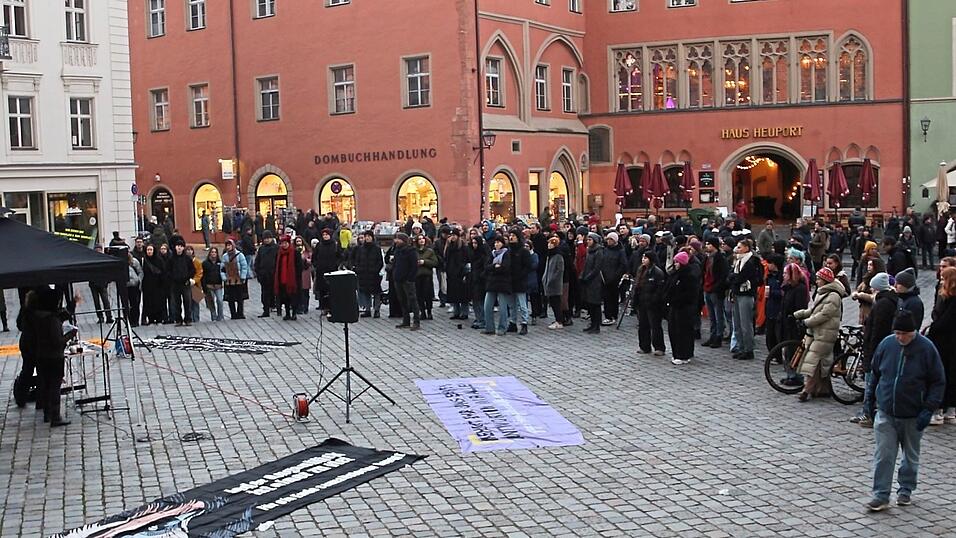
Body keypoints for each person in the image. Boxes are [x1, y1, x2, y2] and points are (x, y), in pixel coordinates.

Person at [863, 311, 945, 511]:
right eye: (897, 333)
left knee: (910, 455)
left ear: (913, 332)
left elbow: (938, 381)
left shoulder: (927, 349)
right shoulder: (887, 344)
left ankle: (906, 489)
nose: (900, 338)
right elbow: (875, 373)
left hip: (913, 413)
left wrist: (928, 409)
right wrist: (869, 400)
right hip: (886, 410)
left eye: (904, 334)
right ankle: (880, 494)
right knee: (884, 454)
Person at [793, 267, 847, 401]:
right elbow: (813, 310)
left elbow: (823, 315)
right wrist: (798, 314)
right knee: (822, 363)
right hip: (819, 332)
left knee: (812, 361)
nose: (816, 281)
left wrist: (806, 322)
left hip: (825, 334)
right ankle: (823, 389)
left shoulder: (833, 296)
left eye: (818, 278)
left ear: (825, 280)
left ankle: (806, 390)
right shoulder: (823, 292)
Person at [28, 287, 77, 426]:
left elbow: (63, 315)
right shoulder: (52, 320)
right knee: (55, 386)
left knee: (46, 384)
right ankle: (55, 416)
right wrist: (70, 334)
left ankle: (47, 413)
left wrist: (72, 304)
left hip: (41, 355)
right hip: (54, 357)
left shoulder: (37, 316)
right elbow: (58, 342)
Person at [925, 266, 956, 426]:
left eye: (944, 278)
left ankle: (940, 410)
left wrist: (932, 328)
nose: (941, 281)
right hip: (946, 341)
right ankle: (949, 409)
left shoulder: (951, 299)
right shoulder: (945, 296)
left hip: (945, 342)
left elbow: (945, 321)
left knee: (942, 375)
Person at [728, 239, 762, 360]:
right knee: (737, 322)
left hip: (746, 294)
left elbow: (741, 278)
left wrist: (734, 278)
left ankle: (748, 349)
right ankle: (741, 347)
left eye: (740, 247)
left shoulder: (751, 262)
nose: (737, 249)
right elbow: (731, 275)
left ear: (747, 248)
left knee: (745, 323)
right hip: (737, 293)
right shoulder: (738, 260)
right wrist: (733, 278)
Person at [666, 251, 701, 365]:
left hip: (684, 307)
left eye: (677, 262)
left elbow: (690, 293)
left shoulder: (689, 276)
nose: (675, 264)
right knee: (674, 330)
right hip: (674, 306)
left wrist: (677, 300)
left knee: (683, 331)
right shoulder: (675, 274)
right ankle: (677, 353)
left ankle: (683, 354)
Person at [635, 251, 666, 356]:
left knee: (655, 326)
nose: (643, 260)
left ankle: (659, 347)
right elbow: (637, 285)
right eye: (643, 258)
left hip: (653, 303)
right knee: (643, 325)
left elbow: (660, 289)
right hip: (642, 301)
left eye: (646, 258)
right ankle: (644, 346)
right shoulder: (641, 270)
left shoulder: (657, 272)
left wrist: (654, 300)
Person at [702, 237, 729, 348]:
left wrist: (716, 287)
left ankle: (719, 336)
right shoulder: (707, 258)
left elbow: (723, 276)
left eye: (709, 244)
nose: (707, 246)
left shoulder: (720, 258)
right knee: (711, 316)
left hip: (715, 290)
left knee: (718, 315)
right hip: (707, 288)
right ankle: (712, 335)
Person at [482, 236, 512, 336]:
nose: (496, 244)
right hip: (491, 283)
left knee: (502, 307)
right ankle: (489, 327)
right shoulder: (492, 254)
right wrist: (495, 266)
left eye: (498, 242)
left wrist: (495, 268)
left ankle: (502, 327)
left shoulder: (506, 253)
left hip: (502, 283)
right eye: (495, 243)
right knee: (487, 306)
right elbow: (487, 266)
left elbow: (505, 267)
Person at [392, 233, 421, 330]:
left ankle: (416, 321)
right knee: (402, 300)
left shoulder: (411, 251)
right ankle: (406, 320)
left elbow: (414, 266)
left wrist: (410, 278)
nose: (396, 241)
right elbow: (395, 264)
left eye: (398, 239)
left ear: (403, 240)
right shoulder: (397, 250)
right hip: (398, 279)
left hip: (407, 280)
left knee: (412, 300)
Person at [352, 231, 384, 318]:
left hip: (374, 274)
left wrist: (376, 270)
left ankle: (377, 309)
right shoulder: (361, 249)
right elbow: (357, 260)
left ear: (372, 238)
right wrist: (358, 269)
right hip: (363, 274)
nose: (367, 238)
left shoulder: (377, 248)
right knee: (365, 292)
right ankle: (367, 309)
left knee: (376, 292)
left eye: (369, 236)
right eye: (366, 236)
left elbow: (380, 261)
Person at [579, 232, 605, 334]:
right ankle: (592, 323)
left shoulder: (599, 251)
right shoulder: (589, 251)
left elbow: (597, 268)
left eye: (590, 240)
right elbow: (586, 265)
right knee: (590, 303)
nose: (588, 241)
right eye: (588, 240)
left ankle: (596, 325)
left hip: (595, 281)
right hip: (588, 281)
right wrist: (582, 276)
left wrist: (588, 277)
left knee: (595, 304)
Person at [600, 232, 628, 326]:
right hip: (604, 277)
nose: (608, 241)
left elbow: (623, 265)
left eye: (611, 239)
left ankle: (613, 316)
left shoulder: (620, 251)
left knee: (613, 298)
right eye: (607, 239)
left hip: (614, 279)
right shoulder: (605, 250)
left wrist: (616, 276)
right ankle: (607, 316)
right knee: (606, 298)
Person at [311, 228, 340, 316]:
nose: (325, 236)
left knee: (332, 291)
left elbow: (340, 255)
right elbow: (314, 257)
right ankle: (324, 308)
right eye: (323, 235)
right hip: (321, 271)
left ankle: (332, 308)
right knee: (322, 291)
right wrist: (317, 265)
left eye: (327, 235)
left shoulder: (335, 244)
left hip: (332, 271)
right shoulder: (319, 245)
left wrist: (336, 264)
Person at [274, 234, 302, 321]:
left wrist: (297, 277)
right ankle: (287, 313)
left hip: (293, 280)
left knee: (293, 297)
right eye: (282, 243)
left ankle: (294, 313)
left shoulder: (295, 253)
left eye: (286, 243)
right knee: (285, 298)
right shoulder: (279, 253)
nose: (284, 245)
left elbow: (299, 266)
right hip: (282, 279)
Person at [169, 238, 196, 326]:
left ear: (183, 248)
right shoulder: (171, 258)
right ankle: (178, 320)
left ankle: (188, 319)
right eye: (178, 246)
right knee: (176, 303)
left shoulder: (187, 259)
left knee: (187, 302)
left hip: (185, 283)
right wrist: (172, 278)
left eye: (181, 246)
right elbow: (168, 270)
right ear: (175, 247)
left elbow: (192, 270)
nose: (179, 248)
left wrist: (188, 278)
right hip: (175, 284)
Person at [443, 230, 470, 320]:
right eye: (451, 235)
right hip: (451, 273)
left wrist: (464, 271)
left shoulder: (463, 247)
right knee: (453, 294)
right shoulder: (449, 247)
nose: (452, 237)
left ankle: (464, 312)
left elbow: (467, 259)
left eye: (454, 235)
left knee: (463, 294)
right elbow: (446, 259)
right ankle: (456, 312)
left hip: (461, 273)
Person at [221, 239, 249, 320]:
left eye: (229, 245)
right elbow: (222, 269)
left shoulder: (240, 255)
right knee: (231, 298)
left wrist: (243, 276)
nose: (228, 247)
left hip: (239, 279)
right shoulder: (224, 256)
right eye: (227, 245)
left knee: (240, 297)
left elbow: (244, 266)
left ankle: (240, 313)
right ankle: (233, 314)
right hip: (229, 280)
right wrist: (224, 278)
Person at [542, 236, 565, 329]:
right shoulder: (549, 255)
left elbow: (560, 270)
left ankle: (559, 321)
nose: (549, 245)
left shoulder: (558, 256)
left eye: (551, 243)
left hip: (555, 284)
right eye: (549, 243)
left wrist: (552, 279)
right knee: (553, 302)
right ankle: (557, 319)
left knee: (556, 303)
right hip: (548, 282)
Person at [254, 230, 278, 318]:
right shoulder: (262, 249)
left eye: (268, 238)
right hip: (264, 275)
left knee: (276, 293)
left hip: (274, 274)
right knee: (265, 294)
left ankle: (276, 307)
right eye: (265, 238)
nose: (267, 240)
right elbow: (257, 261)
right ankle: (266, 310)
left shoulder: (276, 248)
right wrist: (258, 272)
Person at [466, 234, 488, 330]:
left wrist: (481, 276)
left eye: (476, 243)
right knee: (475, 301)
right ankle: (478, 318)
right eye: (473, 243)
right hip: (473, 280)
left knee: (480, 302)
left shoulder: (483, 254)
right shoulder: (472, 253)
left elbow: (485, 267)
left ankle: (482, 320)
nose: (474, 245)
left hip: (480, 281)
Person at [414, 235, 439, 320]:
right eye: (419, 239)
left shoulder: (429, 251)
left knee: (427, 295)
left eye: (423, 239)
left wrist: (424, 262)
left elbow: (435, 262)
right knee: (419, 295)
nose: (421, 240)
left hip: (427, 276)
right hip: (417, 276)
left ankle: (429, 311)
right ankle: (422, 311)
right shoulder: (414, 251)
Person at [140, 244, 166, 325]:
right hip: (147, 285)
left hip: (158, 285)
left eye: (151, 250)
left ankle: (159, 319)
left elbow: (163, 271)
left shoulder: (159, 260)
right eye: (148, 250)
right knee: (148, 302)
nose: (149, 251)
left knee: (158, 302)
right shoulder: (144, 260)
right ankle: (151, 319)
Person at [89, 245, 114, 324]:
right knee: (97, 302)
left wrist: (108, 280)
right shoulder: (91, 260)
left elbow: (108, 271)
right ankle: (100, 317)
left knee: (105, 300)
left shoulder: (104, 259)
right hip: (93, 283)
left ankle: (108, 316)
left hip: (102, 283)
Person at [202, 247, 224, 321]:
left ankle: (220, 316)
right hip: (209, 285)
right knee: (211, 302)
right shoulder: (205, 263)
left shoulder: (220, 263)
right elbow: (203, 275)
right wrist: (204, 286)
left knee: (220, 300)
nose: (213, 253)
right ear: (210, 253)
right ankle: (213, 316)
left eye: (215, 252)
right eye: (212, 252)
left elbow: (223, 272)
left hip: (218, 285)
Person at [185, 245, 203, 323]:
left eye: (190, 250)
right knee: (188, 303)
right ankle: (190, 318)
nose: (189, 251)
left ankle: (196, 319)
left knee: (196, 303)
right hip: (186, 284)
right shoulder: (184, 261)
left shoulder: (197, 262)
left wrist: (194, 280)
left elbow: (199, 273)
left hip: (196, 285)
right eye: (187, 250)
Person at [294, 236, 312, 315]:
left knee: (305, 291)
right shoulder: (294, 251)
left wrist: (305, 259)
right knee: (299, 290)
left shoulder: (307, 251)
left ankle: (305, 307)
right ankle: (299, 307)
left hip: (305, 272)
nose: (298, 243)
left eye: (300, 241)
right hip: (297, 272)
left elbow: (310, 261)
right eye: (297, 241)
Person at [125, 252, 143, 327]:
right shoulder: (122, 262)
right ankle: (128, 321)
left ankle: (135, 321)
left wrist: (139, 280)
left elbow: (140, 272)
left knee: (135, 304)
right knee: (126, 305)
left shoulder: (135, 262)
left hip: (135, 286)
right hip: (126, 286)